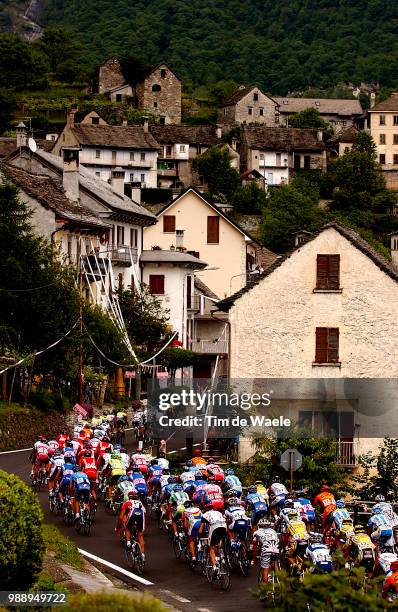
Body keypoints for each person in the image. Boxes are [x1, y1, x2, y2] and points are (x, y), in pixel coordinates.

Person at [116, 490, 146, 561]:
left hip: (132, 513)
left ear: (129, 497)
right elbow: (144, 514)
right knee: (140, 535)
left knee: (127, 527)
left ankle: (128, 542)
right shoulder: (140, 503)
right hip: (141, 515)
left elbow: (121, 517)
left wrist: (118, 527)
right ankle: (142, 554)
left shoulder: (127, 503)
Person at [199, 505, 228, 575]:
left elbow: (200, 530)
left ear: (206, 509)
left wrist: (199, 537)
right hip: (224, 526)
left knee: (211, 547)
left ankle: (215, 567)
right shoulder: (218, 512)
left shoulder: (205, 514)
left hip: (215, 527)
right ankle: (221, 557)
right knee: (218, 542)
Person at [252, 518, 280, 584]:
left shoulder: (256, 532)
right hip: (275, 549)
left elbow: (254, 547)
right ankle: (280, 579)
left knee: (265, 570)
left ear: (259, 525)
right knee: (274, 562)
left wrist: (254, 558)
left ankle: (266, 590)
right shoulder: (273, 531)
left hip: (266, 550)